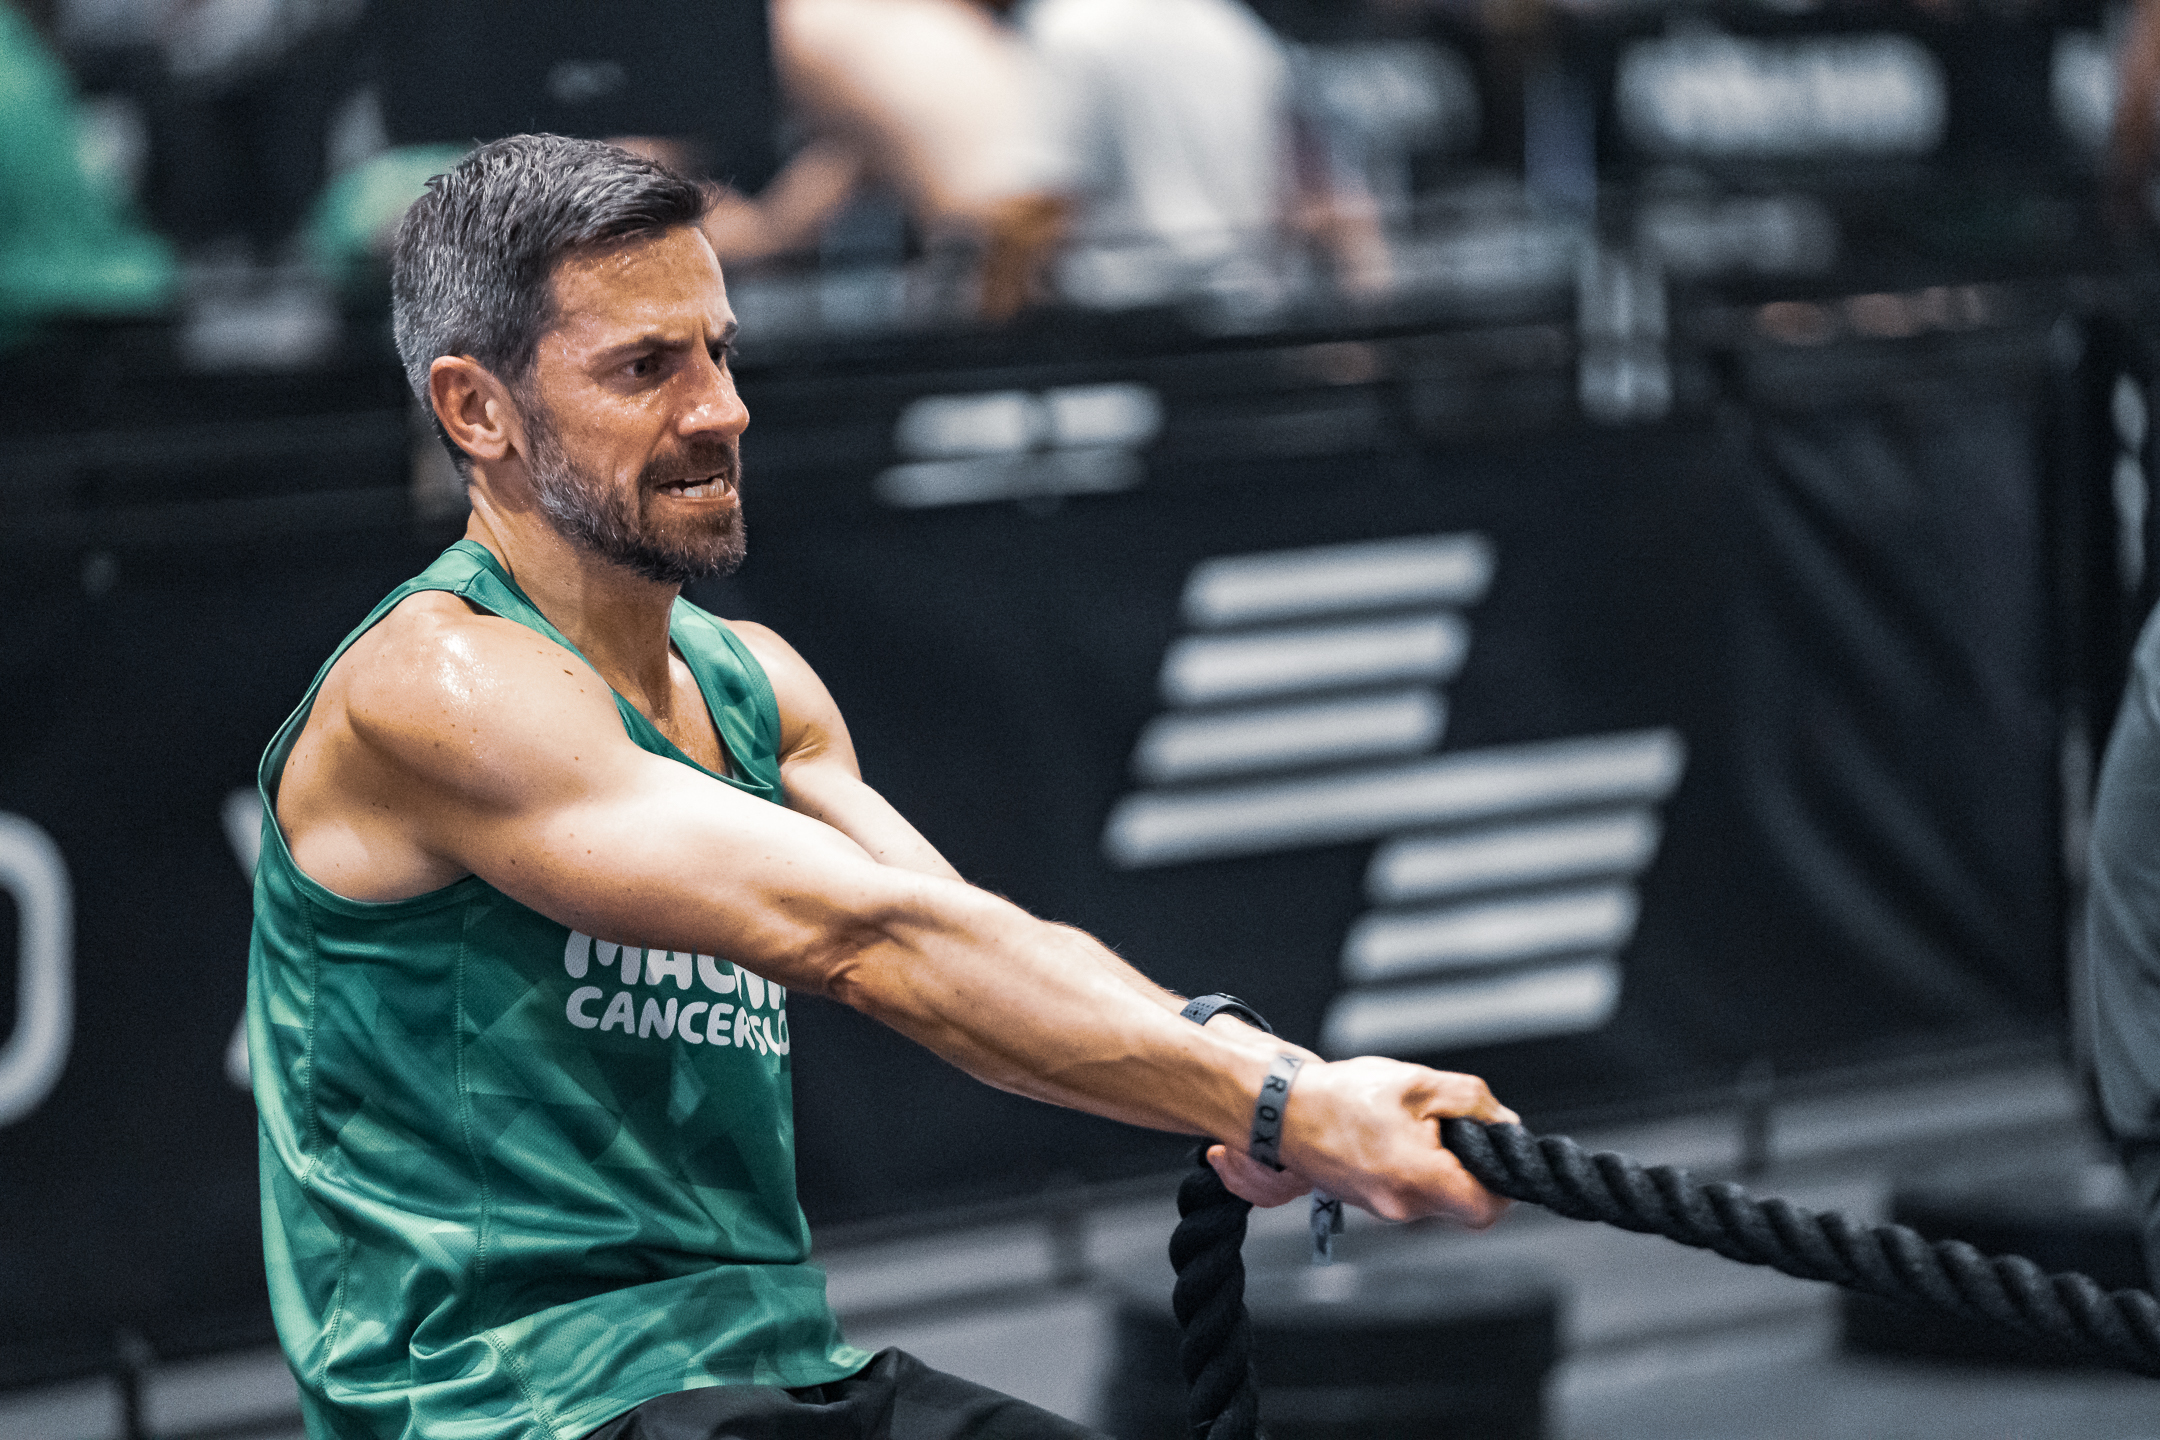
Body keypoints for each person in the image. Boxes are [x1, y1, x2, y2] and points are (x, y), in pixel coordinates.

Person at [247, 133, 1515, 1440]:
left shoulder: (756, 687)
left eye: (719, 351)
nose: (719, 410)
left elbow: (969, 941)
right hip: (509, 1408)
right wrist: (1282, 1103)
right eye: (644, 367)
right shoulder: (437, 689)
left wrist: (1274, 1079)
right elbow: (863, 939)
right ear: (476, 410)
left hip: (769, 1375)